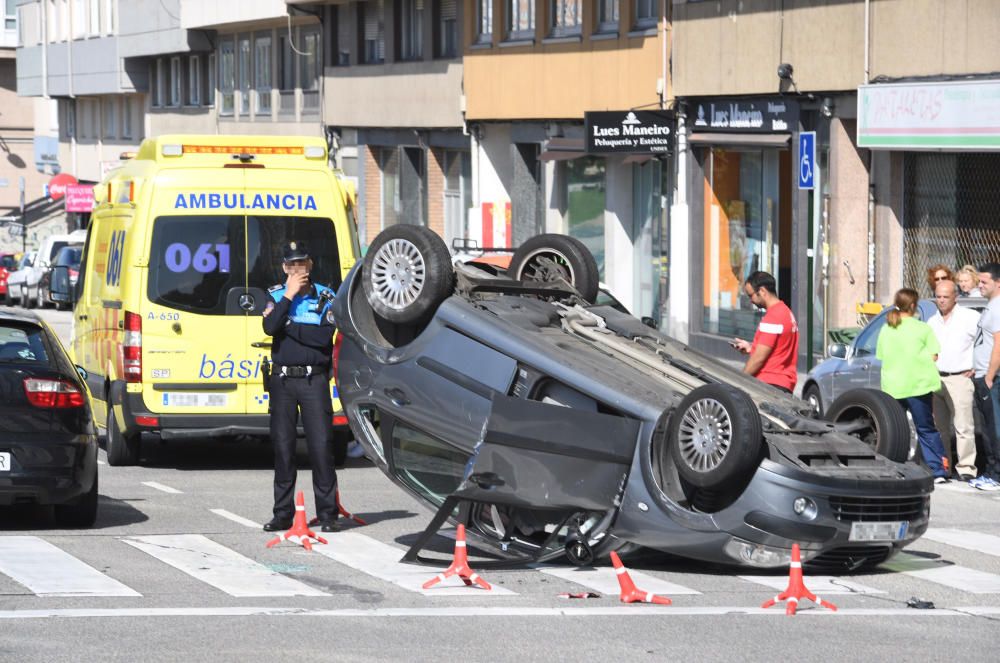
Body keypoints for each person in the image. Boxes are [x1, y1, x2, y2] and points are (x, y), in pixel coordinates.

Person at [261, 241, 340, 532]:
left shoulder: (326, 296)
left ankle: (329, 514)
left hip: (313, 380)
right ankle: (282, 513)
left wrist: (289, 326)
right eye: (292, 266)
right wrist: (288, 298)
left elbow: (323, 339)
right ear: (284, 268)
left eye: (302, 264)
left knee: (321, 447)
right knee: (283, 449)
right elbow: (269, 329)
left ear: (310, 265)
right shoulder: (275, 295)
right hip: (282, 381)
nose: (298, 270)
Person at [876, 288, 949, 483]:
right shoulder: (922, 328)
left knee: (897, 428)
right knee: (926, 428)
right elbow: (934, 355)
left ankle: (894, 467)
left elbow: (881, 355)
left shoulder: (887, 328)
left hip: (893, 386)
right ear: (914, 305)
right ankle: (938, 470)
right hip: (918, 385)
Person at [927, 279, 979, 481]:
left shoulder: (970, 317)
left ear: (955, 297)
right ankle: (944, 466)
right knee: (939, 428)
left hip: (960, 377)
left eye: (945, 297)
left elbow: (984, 341)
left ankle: (966, 468)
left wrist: (976, 364)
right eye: (938, 296)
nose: (941, 301)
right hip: (936, 379)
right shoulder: (932, 321)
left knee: (963, 426)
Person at [732, 271, 799, 393]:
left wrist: (739, 380)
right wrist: (751, 348)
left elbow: (759, 359)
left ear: (762, 291)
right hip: (783, 383)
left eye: (751, 295)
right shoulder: (786, 312)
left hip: (768, 385)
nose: (750, 300)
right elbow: (778, 349)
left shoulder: (773, 317)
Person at [970, 262, 1000, 491]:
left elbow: (999, 344)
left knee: (994, 428)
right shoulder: (990, 307)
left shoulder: (998, 308)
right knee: (987, 428)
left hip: (991, 379)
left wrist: (989, 375)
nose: (979, 285)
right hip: (981, 375)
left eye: (984, 282)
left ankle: (995, 474)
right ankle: (990, 472)